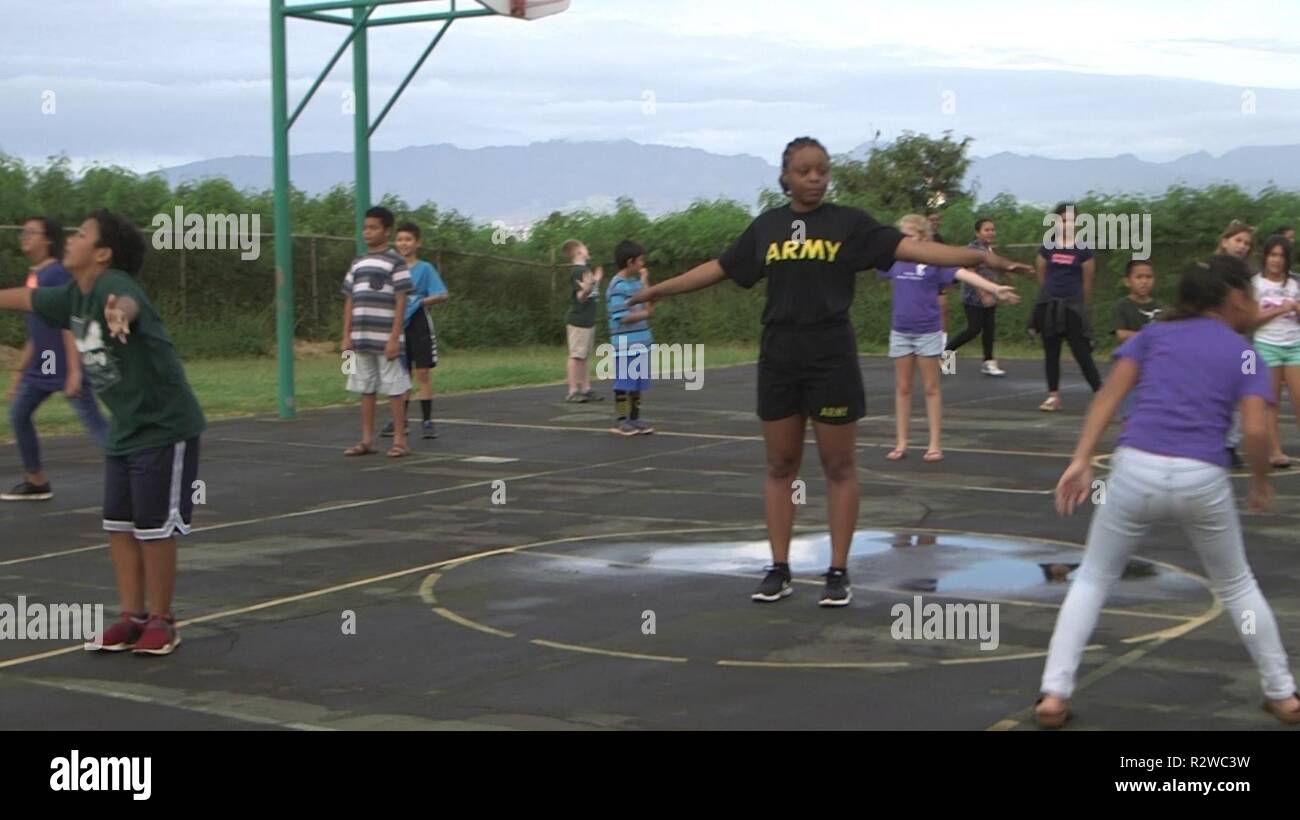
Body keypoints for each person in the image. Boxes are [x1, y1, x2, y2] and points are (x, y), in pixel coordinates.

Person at [627, 136, 1028, 607]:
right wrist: (659, 292)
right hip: (780, 355)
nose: (814, 178)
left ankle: (838, 570)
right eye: (804, 171)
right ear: (786, 177)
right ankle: (779, 568)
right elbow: (718, 268)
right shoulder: (767, 228)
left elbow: (917, 250)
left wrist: (982, 258)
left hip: (831, 355)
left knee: (838, 466)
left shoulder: (849, 225)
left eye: (821, 170)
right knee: (780, 465)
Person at [1036, 255, 1300, 728]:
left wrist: (1080, 459)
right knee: (1238, 585)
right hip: (1203, 476)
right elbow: (1258, 432)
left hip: (1136, 467)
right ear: (1236, 298)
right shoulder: (1244, 352)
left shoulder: (1155, 335)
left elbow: (1109, 397)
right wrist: (1260, 481)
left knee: (1094, 578)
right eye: (1253, 296)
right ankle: (1282, 694)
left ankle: (1055, 694)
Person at [0, 210, 206, 655]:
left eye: (80, 233)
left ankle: (162, 621)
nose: (70, 239)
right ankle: (131, 617)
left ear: (102, 253)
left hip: (164, 425)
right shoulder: (73, 296)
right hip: (126, 430)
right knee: (118, 524)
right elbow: (25, 300)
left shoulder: (115, 287)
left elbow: (126, 305)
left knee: (154, 528)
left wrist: (120, 317)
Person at [882, 214, 1019, 462]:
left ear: (923, 237)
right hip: (901, 331)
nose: (904, 240)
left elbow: (965, 274)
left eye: (909, 234)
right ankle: (901, 442)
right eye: (902, 235)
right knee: (902, 388)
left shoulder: (934, 262)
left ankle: (934, 444)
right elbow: (861, 259)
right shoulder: (894, 261)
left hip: (927, 331)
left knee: (931, 388)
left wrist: (996, 289)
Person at [3, 216, 108, 501]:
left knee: (95, 424)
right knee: (19, 414)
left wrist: (74, 371)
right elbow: (36, 330)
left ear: (48, 239)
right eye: (23, 231)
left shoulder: (57, 273)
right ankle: (36, 480)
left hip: (65, 365)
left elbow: (68, 322)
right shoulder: (36, 275)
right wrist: (19, 372)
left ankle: (136, 471)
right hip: (42, 367)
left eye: (31, 232)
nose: (24, 236)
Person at [341, 206, 412, 458]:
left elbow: (401, 299)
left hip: (386, 338)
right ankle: (367, 439)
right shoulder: (358, 262)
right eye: (365, 227)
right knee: (365, 387)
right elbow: (349, 299)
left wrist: (395, 336)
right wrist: (346, 335)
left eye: (373, 228)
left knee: (394, 388)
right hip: (361, 338)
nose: (367, 232)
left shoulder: (395, 261)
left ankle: (400, 440)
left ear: (386, 231)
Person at [381, 222, 448, 440]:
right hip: (398, 323)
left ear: (417, 243)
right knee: (402, 374)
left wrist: (420, 301)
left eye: (408, 239)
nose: (404, 243)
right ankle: (401, 420)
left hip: (418, 323)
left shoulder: (425, 268)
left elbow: (442, 294)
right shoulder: (391, 267)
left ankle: (427, 420)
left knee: (423, 372)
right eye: (400, 239)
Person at [1032, 203, 1101, 411]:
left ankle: (1100, 394)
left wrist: (1080, 305)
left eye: (1070, 220)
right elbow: (1042, 275)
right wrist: (1050, 297)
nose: (1066, 224)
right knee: (1051, 352)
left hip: (1073, 307)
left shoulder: (1084, 250)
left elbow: (1088, 280)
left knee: (1082, 352)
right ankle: (1053, 396)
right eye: (1063, 220)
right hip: (1050, 306)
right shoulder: (1048, 247)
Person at [1249, 235, 1300, 468]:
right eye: (1273, 255)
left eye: (1281, 256)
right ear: (1265, 257)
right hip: (1267, 344)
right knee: (1272, 401)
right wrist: (1280, 309)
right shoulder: (1256, 284)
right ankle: (1274, 451)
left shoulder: (1294, 283)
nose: (1277, 260)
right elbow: (1252, 319)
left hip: (1294, 344)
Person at [944, 217, 1008, 376]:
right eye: (987, 230)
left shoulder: (989, 249)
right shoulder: (973, 249)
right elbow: (971, 272)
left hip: (991, 295)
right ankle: (946, 354)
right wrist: (983, 294)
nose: (991, 233)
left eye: (992, 229)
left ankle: (989, 362)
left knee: (989, 330)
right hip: (974, 297)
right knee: (974, 329)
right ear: (977, 232)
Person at [606, 239, 655, 435]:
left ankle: (635, 418)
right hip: (625, 344)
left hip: (642, 341)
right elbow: (622, 317)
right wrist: (645, 314)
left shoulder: (636, 282)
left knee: (638, 383)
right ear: (630, 262)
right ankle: (621, 420)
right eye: (640, 260)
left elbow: (647, 298)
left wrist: (645, 280)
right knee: (624, 382)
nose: (643, 264)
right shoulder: (617, 286)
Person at [562, 239, 604, 403]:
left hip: (588, 319)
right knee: (575, 355)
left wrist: (596, 280)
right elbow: (580, 296)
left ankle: (586, 389)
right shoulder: (577, 271)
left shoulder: (585, 270)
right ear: (579, 251)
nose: (587, 249)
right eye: (585, 247)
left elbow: (591, 291)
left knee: (584, 355)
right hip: (578, 320)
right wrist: (586, 289)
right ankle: (573, 390)